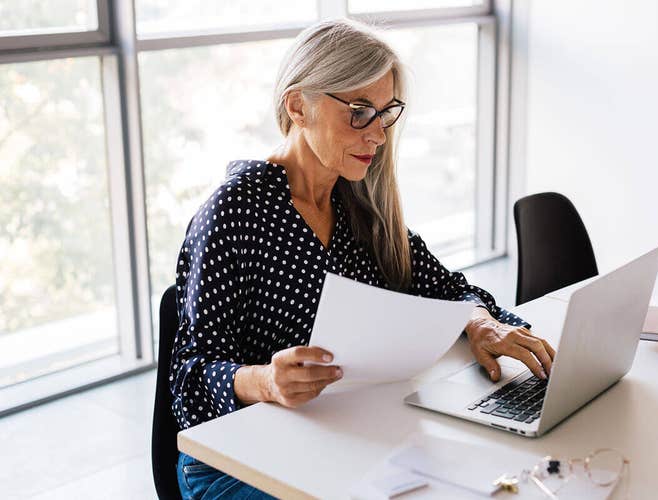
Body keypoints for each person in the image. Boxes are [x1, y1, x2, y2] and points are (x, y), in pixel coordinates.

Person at [170, 18, 556, 500]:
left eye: (386, 112)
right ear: (298, 106)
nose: (377, 135)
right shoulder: (235, 213)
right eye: (358, 111)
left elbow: (451, 288)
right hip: (239, 462)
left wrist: (480, 324)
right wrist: (267, 381)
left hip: (345, 438)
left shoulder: (359, 208)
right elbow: (188, 377)